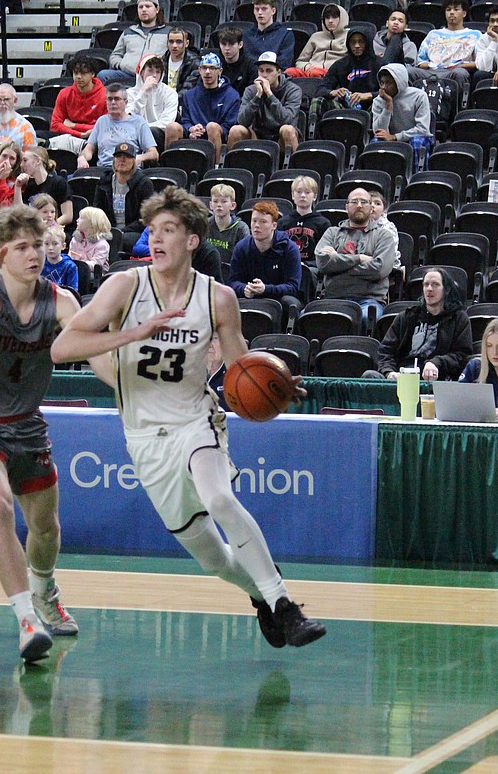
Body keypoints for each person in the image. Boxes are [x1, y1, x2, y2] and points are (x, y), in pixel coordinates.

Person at [51, 186, 327, 651]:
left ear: (193, 240)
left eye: (169, 230)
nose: (155, 240)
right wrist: (134, 333)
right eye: (152, 230)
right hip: (144, 434)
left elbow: (241, 368)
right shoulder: (124, 286)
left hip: (196, 419)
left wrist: (274, 387)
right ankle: (261, 594)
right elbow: (63, 348)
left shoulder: (217, 298)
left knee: (220, 499)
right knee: (213, 560)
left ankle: (285, 605)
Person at [0, 204, 85, 662]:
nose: (34, 254)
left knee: (45, 529)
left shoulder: (62, 301)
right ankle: (27, 620)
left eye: (37, 245)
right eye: (21, 247)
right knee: (0, 506)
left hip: (27, 426)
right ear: (0, 252)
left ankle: (45, 590)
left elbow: (87, 346)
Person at [315, 187, 398, 324]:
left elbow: (379, 269)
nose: (359, 205)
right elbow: (323, 263)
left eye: (364, 202)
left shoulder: (384, 236)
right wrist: (359, 259)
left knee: (364, 319)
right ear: (346, 207)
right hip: (333, 298)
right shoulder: (332, 233)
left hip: (369, 300)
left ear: (371, 208)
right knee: (307, 316)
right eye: (354, 202)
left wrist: (338, 264)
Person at [372, 267, 471, 381]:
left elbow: (462, 355)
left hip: (435, 379)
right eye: (426, 284)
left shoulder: (459, 319)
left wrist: (436, 362)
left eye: (435, 284)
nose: (429, 289)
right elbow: (385, 351)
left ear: (446, 290)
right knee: (370, 375)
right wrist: (389, 372)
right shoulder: (407, 317)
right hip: (402, 378)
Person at [228, 201, 306, 326]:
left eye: (263, 222)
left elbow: (293, 287)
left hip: (278, 299)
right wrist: (244, 289)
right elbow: (233, 281)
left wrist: (266, 289)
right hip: (250, 297)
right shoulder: (242, 247)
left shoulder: (289, 248)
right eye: (254, 221)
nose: (256, 226)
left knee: (289, 302)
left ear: (274, 226)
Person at [164, 53, 239, 165]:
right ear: (199, 70)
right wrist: (191, 129)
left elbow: (229, 126)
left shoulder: (232, 96)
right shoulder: (189, 95)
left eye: (212, 68)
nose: (207, 72)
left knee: (212, 127)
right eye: (204, 68)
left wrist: (207, 130)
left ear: (220, 71)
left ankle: (215, 168)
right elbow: (185, 121)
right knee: (172, 127)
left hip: (217, 136)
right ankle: (170, 170)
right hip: (193, 135)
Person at [229, 51, 303, 152]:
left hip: (281, 137)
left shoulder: (293, 90)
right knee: (235, 130)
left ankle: (294, 166)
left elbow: (288, 119)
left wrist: (270, 94)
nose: (264, 75)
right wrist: (257, 96)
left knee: (288, 129)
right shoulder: (251, 90)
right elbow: (242, 120)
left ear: (278, 72)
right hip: (257, 136)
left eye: (269, 71)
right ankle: (232, 166)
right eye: (261, 71)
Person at [91, 142, 155, 250]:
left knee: (119, 240)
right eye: (118, 156)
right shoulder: (105, 181)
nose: (122, 160)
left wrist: (121, 231)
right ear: (114, 160)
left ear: (134, 161)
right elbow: (97, 210)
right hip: (107, 229)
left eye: (127, 157)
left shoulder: (143, 184)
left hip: (134, 232)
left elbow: (145, 219)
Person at [78, 83, 158, 169]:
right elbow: (89, 149)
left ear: (126, 102)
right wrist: (82, 157)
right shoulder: (101, 121)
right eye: (110, 99)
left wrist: (139, 158)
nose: (113, 102)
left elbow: (154, 154)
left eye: (117, 99)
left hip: (129, 170)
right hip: (104, 170)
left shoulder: (138, 122)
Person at [415, 0, 481, 94]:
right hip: (431, 71)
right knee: (409, 72)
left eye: (456, 9)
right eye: (448, 9)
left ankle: (455, 108)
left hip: (455, 71)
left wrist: (459, 66)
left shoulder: (475, 35)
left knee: (460, 74)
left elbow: (479, 62)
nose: (451, 13)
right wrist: (433, 65)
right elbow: (421, 62)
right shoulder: (433, 34)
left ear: (464, 13)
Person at [99, 0, 169, 87]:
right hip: (128, 74)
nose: (144, 9)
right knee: (103, 75)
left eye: (148, 6)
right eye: (140, 7)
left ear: (157, 9)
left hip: (154, 75)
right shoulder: (128, 32)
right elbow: (115, 56)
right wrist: (122, 65)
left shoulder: (168, 32)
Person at [314, 26, 379, 119]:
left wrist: (368, 95)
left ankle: (373, 133)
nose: (357, 45)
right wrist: (334, 92)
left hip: (372, 107)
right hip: (345, 108)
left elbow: (390, 92)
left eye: (361, 41)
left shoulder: (379, 64)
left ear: (367, 43)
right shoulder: (340, 64)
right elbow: (320, 90)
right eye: (353, 42)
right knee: (317, 101)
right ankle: (315, 133)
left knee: (382, 102)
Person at [46, 56, 106, 156]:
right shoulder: (64, 93)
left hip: (94, 137)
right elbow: (55, 125)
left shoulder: (105, 95)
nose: (78, 77)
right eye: (75, 73)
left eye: (83, 73)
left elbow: (105, 127)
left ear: (92, 74)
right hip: (70, 135)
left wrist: (74, 125)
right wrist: (80, 134)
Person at [371, 63, 433, 145]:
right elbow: (378, 131)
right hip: (390, 138)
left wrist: (395, 137)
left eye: (388, 83)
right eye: (382, 83)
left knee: (417, 142)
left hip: (417, 137)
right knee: (376, 142)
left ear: (399, 82)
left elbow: (423, 129)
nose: (383, 87)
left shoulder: (419, 96)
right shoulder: (378, 100)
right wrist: (388, 106)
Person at [126, 54, 177, 152]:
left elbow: (167, 122)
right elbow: (128, 118)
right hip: (133, 134)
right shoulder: (129, 93)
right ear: (141, 72)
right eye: (150, 70)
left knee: (153, 131)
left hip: (159, 135)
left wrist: (144, 128)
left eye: (158, 72)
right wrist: (143, 92)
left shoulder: (170, 93)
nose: (154, 75)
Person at [15, 145, 72, 227]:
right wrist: (17, 187)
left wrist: (49, 226)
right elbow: (20, 213)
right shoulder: (30, 185)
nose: (21, 165)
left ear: (38, 161)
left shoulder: (58, 182)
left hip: (56, 231)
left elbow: (68, 216)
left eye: (25, 160)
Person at [276, 174, 328, 264]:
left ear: (315, 196)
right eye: (299, 192)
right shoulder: (282, 223)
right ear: (293, 195)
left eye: (307, 192)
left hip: (312, 269)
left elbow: (323, 255)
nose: (303, 195)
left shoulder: (323, 223)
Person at [291, 3, 347, 78]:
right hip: (311, 70)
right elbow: (300, 61)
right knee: (289, 72)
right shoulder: (315, 36)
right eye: (327, 18)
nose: (330, 21)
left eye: (334, 17)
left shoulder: (349, 36)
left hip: (333, 73)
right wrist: (306, 66)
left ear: (342, 18)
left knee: (316, 73)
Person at [243, 0, 294, 68]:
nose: (260, 12)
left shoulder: (285, 35)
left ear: (273, 11)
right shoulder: (246, 35)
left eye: (264, 9)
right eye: (257, 9)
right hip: (251, 75)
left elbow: (284, 62)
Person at [205, 182, 249, 263]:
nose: (219, 205)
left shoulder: (241, 229)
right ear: (210, 205)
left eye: (224, 201)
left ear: (233, 206)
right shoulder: (204, 225)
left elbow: (245, 258)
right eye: (215, 201)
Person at [215, 25, 258, 96]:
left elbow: (252, 94)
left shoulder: (251, 64)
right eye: (223, 44)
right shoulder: (214, 63)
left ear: (240, 45)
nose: (227, 48)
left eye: (231, 44)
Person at [67, 205, 111, 272]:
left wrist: (79, 264)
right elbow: (70, 258)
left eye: (81, 218)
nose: (77, 220)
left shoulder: (102, 245)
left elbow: (96, 265)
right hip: (76, 271)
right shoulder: (75, 240)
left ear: (92, 223)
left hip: (95, 275)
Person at [40, 224, 78, 293]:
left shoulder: (70, 266)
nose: (50, 248)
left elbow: (73, 292)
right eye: (46, 244)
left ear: (63, 246)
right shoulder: (40, 263)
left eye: (55, 244)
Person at [159, 26, 198, 92]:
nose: (174, 46)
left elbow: (188, 90)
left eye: (179, 42)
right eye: (171, 41)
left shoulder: (194, 63)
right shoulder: (161, 62)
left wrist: (172, 101)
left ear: (187, 43)